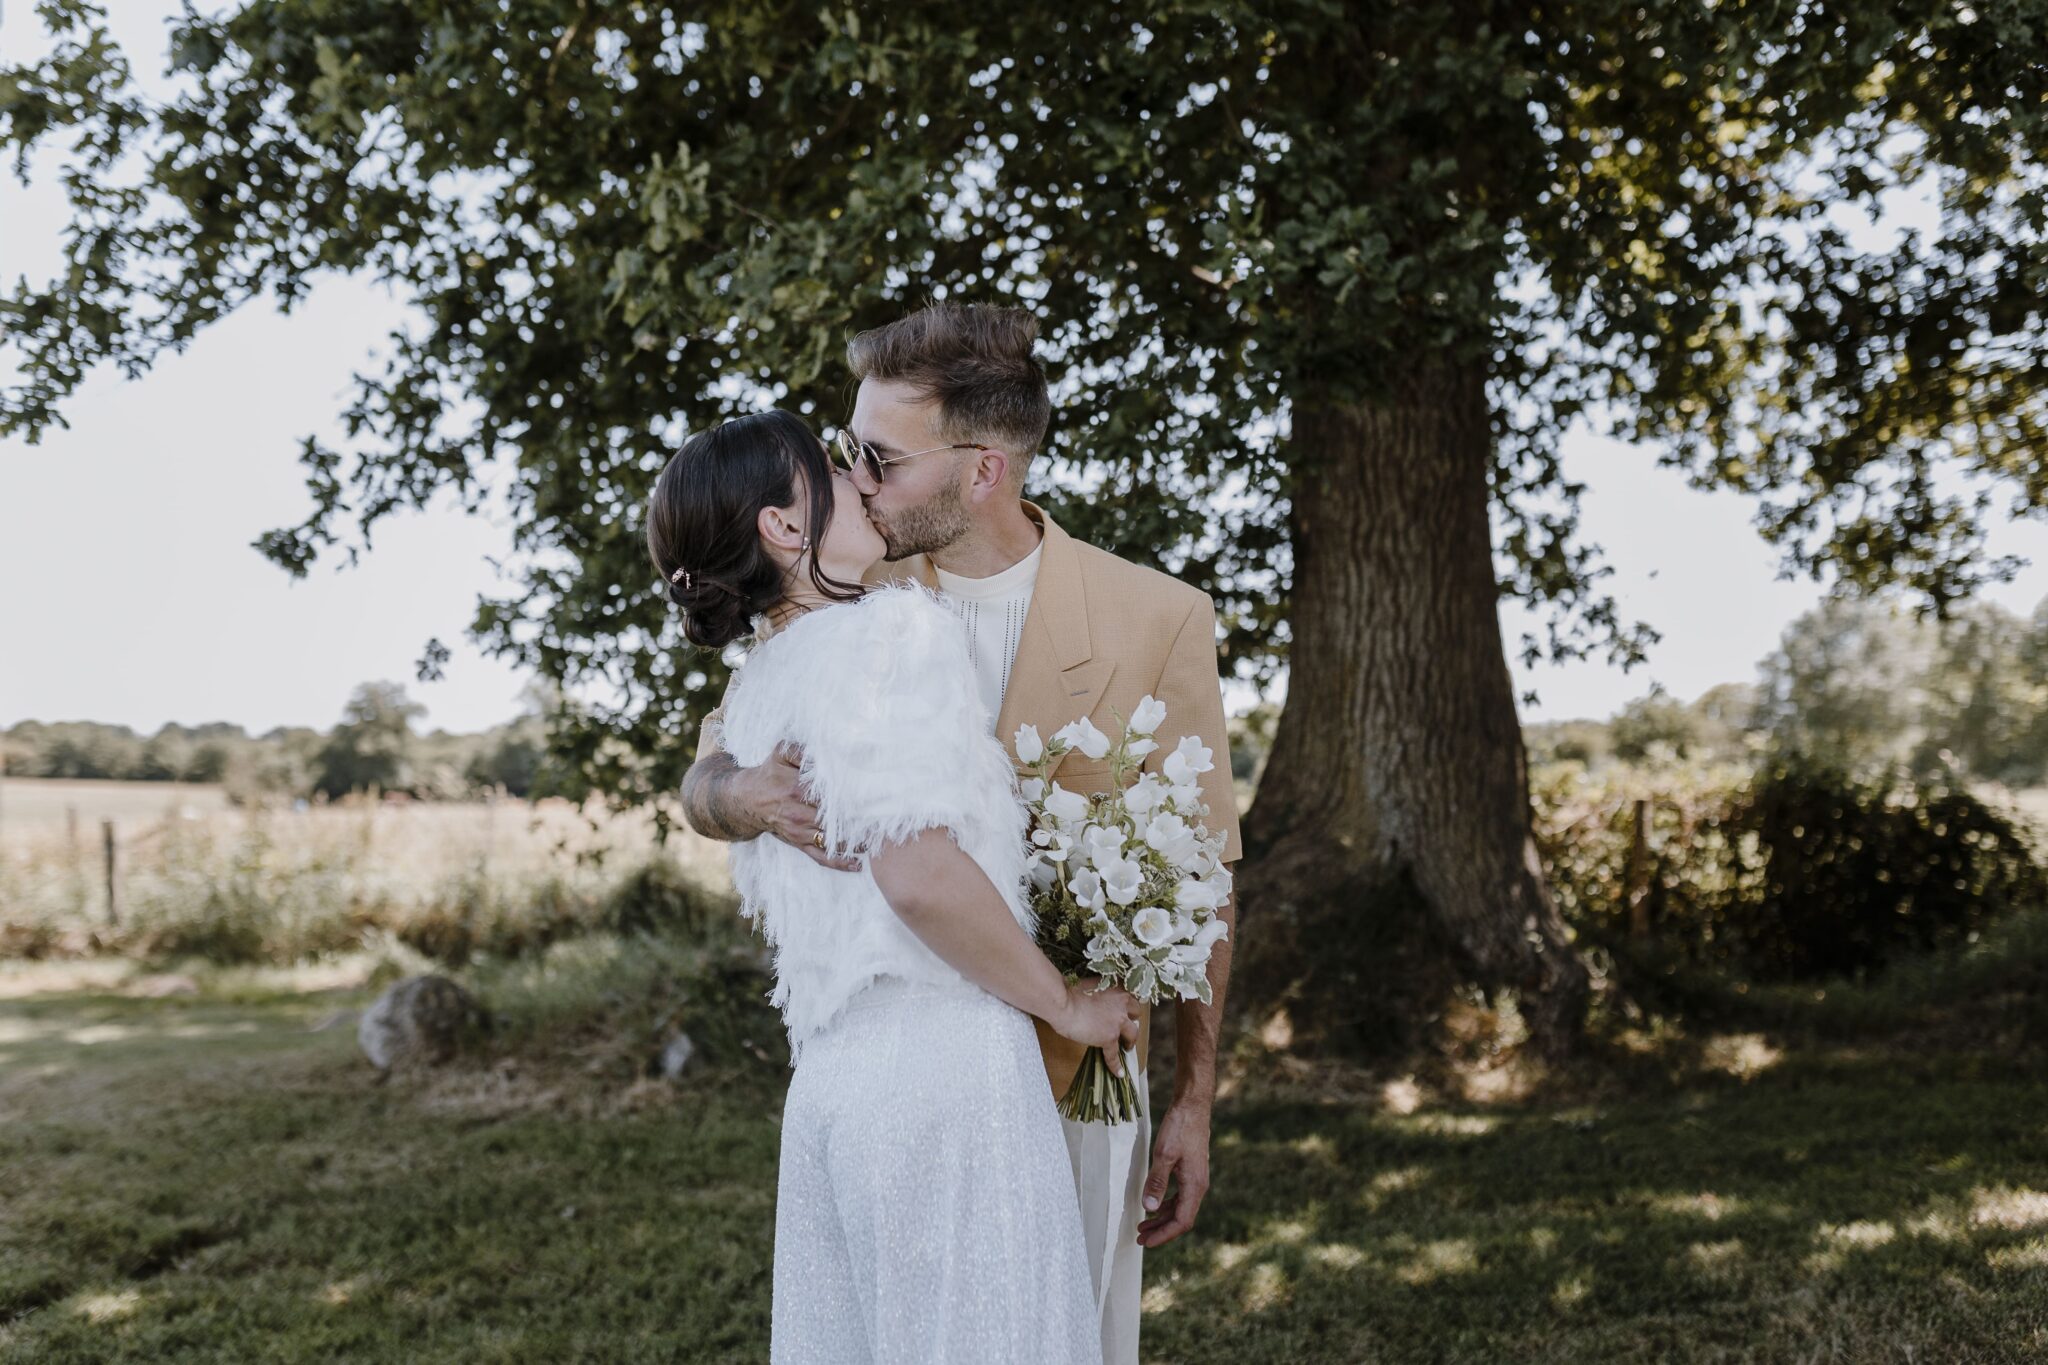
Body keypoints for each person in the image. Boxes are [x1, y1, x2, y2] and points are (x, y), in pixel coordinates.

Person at [682, 304, 1244, 1365]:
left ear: (981, 470)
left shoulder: (1156, 616)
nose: (852, 475)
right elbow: (710, 775)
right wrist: (744, 798)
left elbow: (1204, 871)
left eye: (878, 457)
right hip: (914, 1076)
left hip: (1080, 1078)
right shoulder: (839, 589)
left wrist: (1193, 1106)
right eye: (847, 451)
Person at [647, 407, 1129, 1364]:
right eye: (831, 465)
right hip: (946, 1073)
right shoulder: (894, 636)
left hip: (830, 1085)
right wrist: (1065, 1004)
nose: (859, 478)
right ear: (784, 528)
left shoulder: (756, 689)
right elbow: (918, 875)